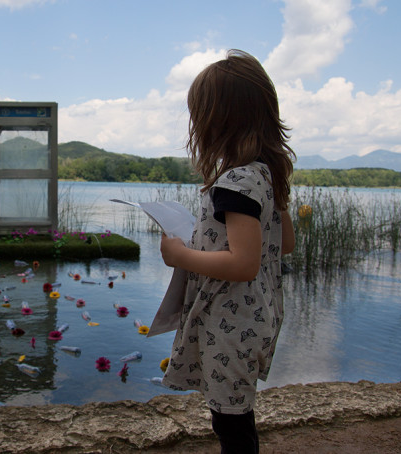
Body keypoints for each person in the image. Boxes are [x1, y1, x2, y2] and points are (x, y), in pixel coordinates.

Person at [159, 49, 296, 454]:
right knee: (237, 417)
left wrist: (180, 255)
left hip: (231, 321)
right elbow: (284, 244)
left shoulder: (235, 182)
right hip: (258, 315)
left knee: (231, 426)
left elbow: (243, 263)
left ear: (215, 120)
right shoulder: (267, 173)